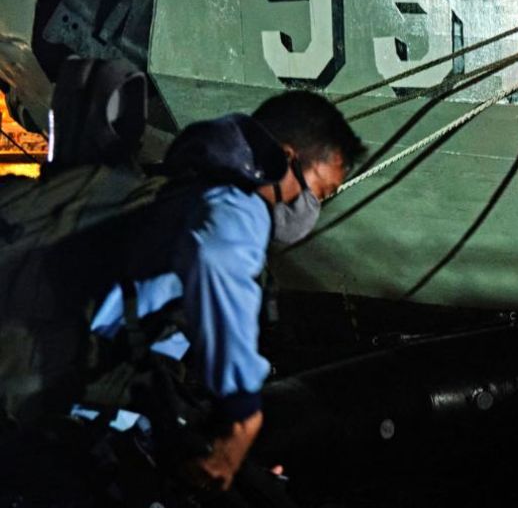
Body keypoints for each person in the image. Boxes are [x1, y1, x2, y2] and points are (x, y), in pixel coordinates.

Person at [0, 89, 364, 501]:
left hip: (48, 389)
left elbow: (141, 333)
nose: (313, 207)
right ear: (283, 158)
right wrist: (243, 416)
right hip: (42, 396)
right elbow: (217, 259)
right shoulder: (238, 210)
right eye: (319, 191)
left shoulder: (179, 189)